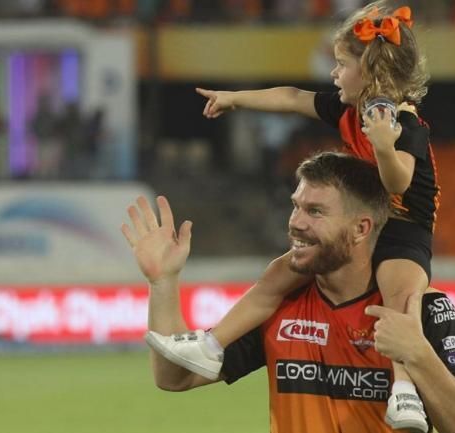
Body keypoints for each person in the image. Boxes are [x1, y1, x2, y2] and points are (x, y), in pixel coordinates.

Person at [147, 3, 439, 431]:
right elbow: (291, 97)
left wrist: (382, 146)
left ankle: (405, 393)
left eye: (341, 65)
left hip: (405, 225)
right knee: (279, 273)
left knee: (398, 299)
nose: (335, 74)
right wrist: (235, 99)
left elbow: (399, 184)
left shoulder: (403, 119)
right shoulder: (349, 112)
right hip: (370, 219)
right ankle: (211, 344)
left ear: (371, 69)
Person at [122, 152, 455, 433]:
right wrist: (163, 282)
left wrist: (417, 353)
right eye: (296, 206)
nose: (296, 222)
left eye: (315, 211)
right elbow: (175, 377)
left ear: (360, 228)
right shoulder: (279, 305)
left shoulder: (422, 309)